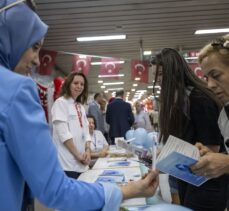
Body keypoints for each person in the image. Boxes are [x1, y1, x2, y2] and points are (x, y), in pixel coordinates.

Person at [0, 1, 159, 210]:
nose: (38, 61)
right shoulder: (16, 90)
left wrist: (87, 150)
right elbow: (55, 189)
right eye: (35, 47)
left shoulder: (78, 107)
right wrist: (127, 190)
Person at [151, 48, 228, 211]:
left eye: (160, 75)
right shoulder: (180, 100)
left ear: (173, 72)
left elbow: (212, 150)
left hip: (208, 183)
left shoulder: (199, 99)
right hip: (191, 178)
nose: (158, 81)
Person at [191, 34, 229, 178]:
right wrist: (213, 156)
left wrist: (226, 163)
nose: (210, 85)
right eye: (207, 78)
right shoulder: (224, 115)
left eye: (216, 75)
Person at [51, 72, 91, 179]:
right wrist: (78, 155)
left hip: (82, 163)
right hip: (67, 164)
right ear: (68, 84)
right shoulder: (60, 103)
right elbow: (63, 134)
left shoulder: (80, 106)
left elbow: (86, 132)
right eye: (76, 83)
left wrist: (88, 150)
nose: (79, 86)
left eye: (82, 84)